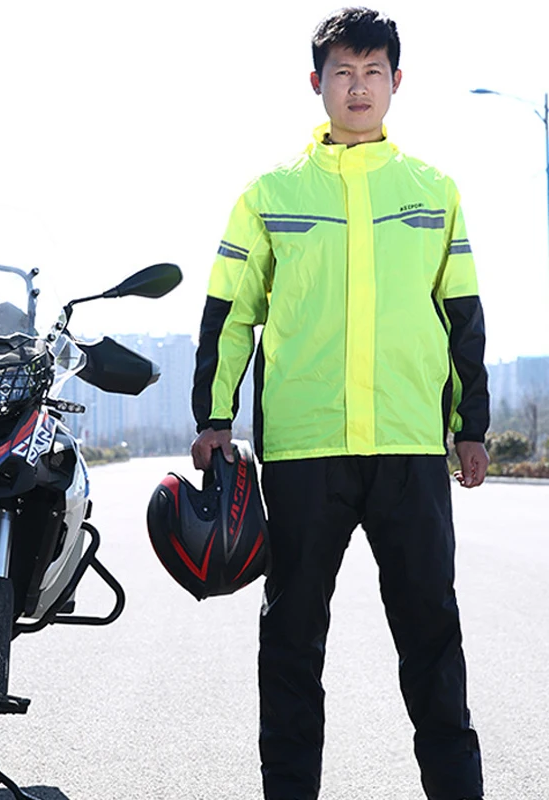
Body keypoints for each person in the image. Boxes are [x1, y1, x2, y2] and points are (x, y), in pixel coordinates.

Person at [190, 8, 488, 800]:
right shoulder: (270, 194)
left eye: (373, 72)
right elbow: (230, 313)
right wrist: (214, 418)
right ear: (316, 83)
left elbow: (462, 316)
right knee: (291, 641)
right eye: (344, 73)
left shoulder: (434, 191)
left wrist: (471, 428)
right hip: (305, 450)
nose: (359, 87)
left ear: (397, 80)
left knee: (432, 636)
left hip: (407, 445)